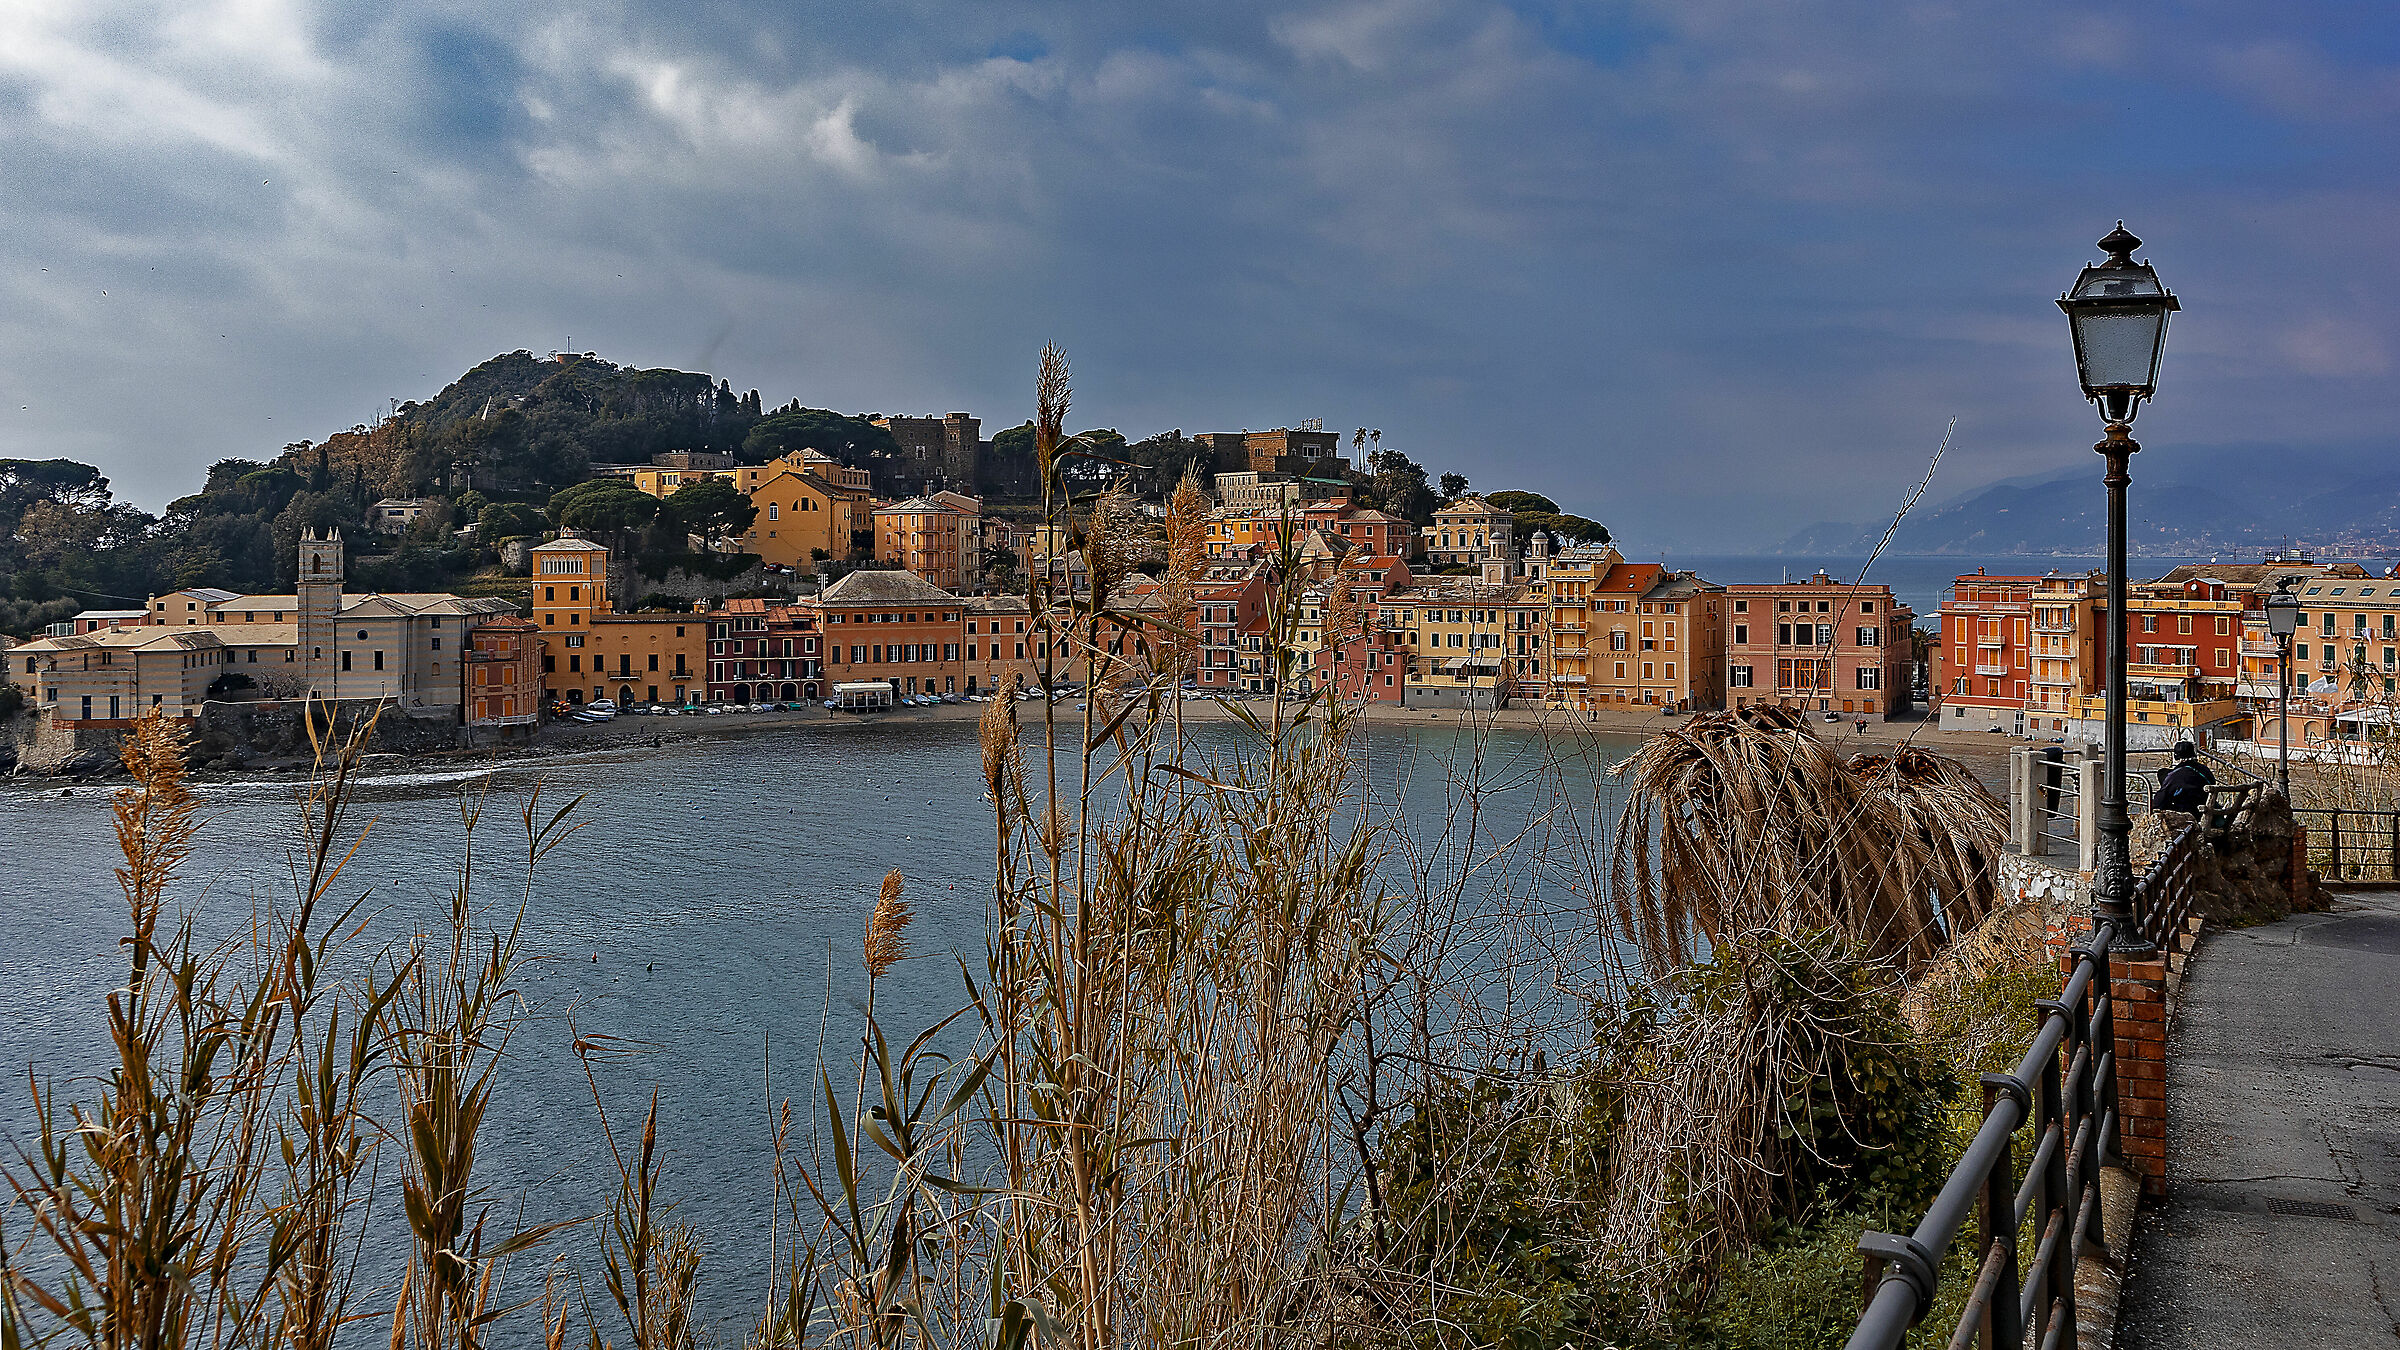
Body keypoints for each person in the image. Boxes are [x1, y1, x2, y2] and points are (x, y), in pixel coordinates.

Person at [2151, 740, 2215, 815]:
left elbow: (2159, 801)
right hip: (2207, 810)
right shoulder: (2205, 769)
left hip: (2189, 814)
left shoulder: (2176, 775)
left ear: (2175, 756)